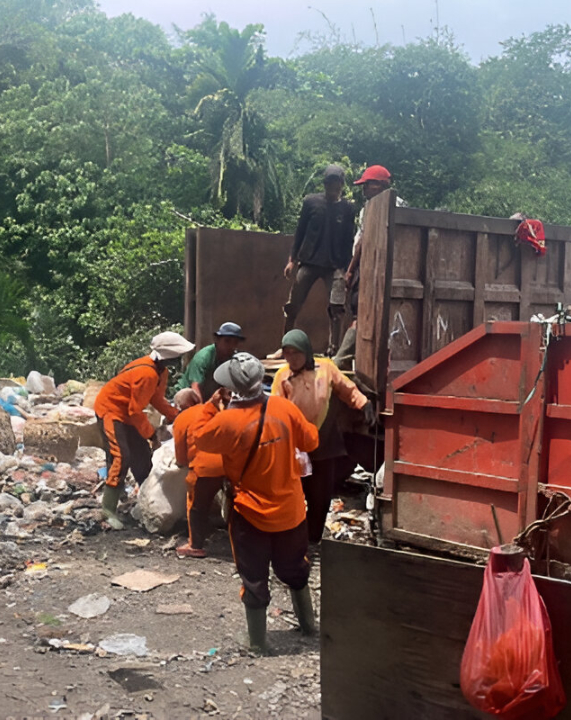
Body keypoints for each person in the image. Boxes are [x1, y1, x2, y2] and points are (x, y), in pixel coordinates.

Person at [192, 352, 319, 653]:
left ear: (230, 387)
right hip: (291, 511)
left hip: (250, 514)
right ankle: (309, 626)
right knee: (294, 570)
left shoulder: (225, 421)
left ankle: (258, 644)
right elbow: (311, 441)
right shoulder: (284, 408)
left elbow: (199, 439)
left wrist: (212, 404)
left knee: (254, 576)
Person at [272, 329, 373, 544]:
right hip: (296, 447)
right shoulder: (282, 376)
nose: (291, 358)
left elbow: (346, 388)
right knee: (294, 495)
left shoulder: (325, 368)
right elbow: (275, 409)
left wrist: (363, 403)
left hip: (325, 442)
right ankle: (293, 539)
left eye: (296, 353)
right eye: (287, 353)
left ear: (306, 352)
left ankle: (313, 539)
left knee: (321, 496)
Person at [94, 331, 195, 529]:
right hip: (111, 411)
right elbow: (134, 410)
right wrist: (151, 434)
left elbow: (156, 399)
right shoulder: (146, 373)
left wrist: (177, 415)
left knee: (142, 458)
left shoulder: (159, 373)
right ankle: (108, 510)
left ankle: (148, 503)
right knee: (120, 457)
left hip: (129, 413)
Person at [280, 164, 356, 357]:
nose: (333, 187)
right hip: (309, 261)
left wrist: (348, 269)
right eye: (330, 183)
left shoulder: (347, 208)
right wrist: (292, 260)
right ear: (325, 183)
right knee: (293, 304)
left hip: (335, 264)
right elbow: (300, 232)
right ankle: (285, 346)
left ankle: (334, 351)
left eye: (337, 183)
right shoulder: (311, 202)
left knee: (336, 308)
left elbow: (349, 240)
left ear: (342, 184)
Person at [337, 165, 393, 369]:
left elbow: (362, 242)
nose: (364, 190)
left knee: (360, 315)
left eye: (367, 185)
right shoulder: (399, 207)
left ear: (379, 185)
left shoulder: (373, 209)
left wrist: (351, 269)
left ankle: (341, 361)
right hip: (378, 269)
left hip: (370, 269)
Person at [171, 388, 226, 559]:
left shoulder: (182, 418)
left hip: (204, 468)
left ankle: (195, 545)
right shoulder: (214, 410)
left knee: (196, 506)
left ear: (181, 406)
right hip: (229, 464)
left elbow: (180, 452)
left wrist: (182, 464)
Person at [174, 322, 246, 401]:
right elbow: (195, 387)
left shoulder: (234, 360)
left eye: (235, 343)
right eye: (227, 341)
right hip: (187, 398)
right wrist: (200, 410)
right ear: (217, 340)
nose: (231, 346)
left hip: (210, 399)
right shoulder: (203, 357)